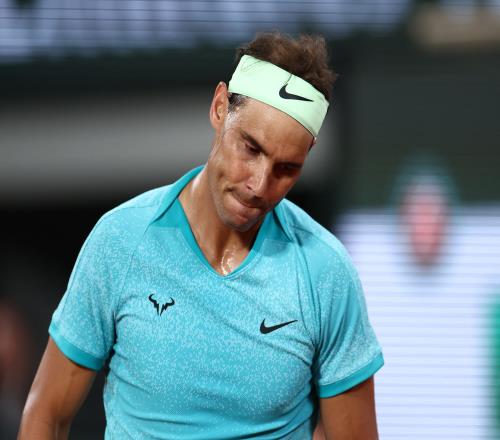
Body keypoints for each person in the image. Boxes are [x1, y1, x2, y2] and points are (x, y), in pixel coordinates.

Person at [18, 31, 384, 439]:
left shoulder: (326, 272)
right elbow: (46, 415)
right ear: (219, 107)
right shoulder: (120, 242)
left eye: (286, 169)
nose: (260, 185)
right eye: (251, 148)